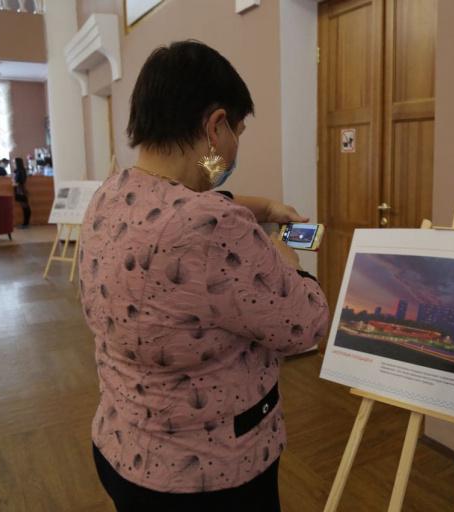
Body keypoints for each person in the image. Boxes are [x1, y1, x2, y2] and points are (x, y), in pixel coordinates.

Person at [78, 40, 329, 512]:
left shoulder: (110, 195)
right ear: (216, 127)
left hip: (123, 447)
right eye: (238, 131)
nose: (234, 148)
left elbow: (194, 197)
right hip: (208, 477)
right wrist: (289, 262)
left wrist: (267, 207)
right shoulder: (212, 227)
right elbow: (305, 325)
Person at [12, 157, 31, 227]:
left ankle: (26, 223)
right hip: (20, 190)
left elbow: (20, 181)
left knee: (25, 206)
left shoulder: (20, 171)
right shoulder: (19, 170)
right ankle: (25, 223)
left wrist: (15, 183)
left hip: (20, 190)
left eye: (14, 162)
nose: (13, 164)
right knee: (24, 206)